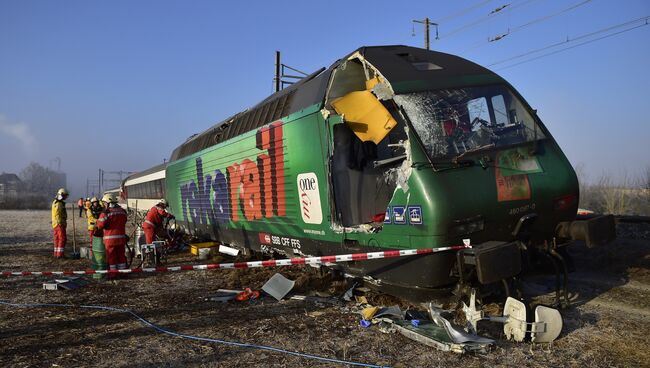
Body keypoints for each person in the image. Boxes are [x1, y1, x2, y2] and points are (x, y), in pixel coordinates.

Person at [96, 193, 128, 273]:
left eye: (104, 203)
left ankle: (113, 274)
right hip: (121, 239)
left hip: (110, 240)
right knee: (121, 256)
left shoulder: (106, 213)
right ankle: (123, 272)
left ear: (107, 203)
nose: (103, 205)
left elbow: (100, 225)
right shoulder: (122, 211)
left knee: (111, 257)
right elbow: (124, 221)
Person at [51, 188, 69, 258]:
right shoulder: (59, 204)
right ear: (61, 195)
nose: (65, 197)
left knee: (57, 239)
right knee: (62, 238)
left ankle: (56, 253)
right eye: (64, 196)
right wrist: (62, 222)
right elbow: (59, 214)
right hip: (59, 223)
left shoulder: (55, 202)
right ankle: (60, 254)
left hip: (55, 224)